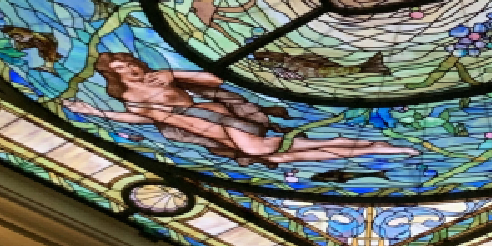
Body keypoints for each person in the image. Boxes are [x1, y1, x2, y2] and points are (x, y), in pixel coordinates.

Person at [72, 53, 422, 165]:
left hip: (210, 119)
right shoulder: (125, 96)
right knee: (278, 155)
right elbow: (141, 117)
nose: (130, 70)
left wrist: (176, 73)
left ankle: (372, 147)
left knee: (264, 151)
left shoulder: (161, 78)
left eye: (128, 64)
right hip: (197, 131)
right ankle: (367, 147)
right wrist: (96, 113)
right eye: (119, 69)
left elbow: (214, 79)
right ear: (112, 74)